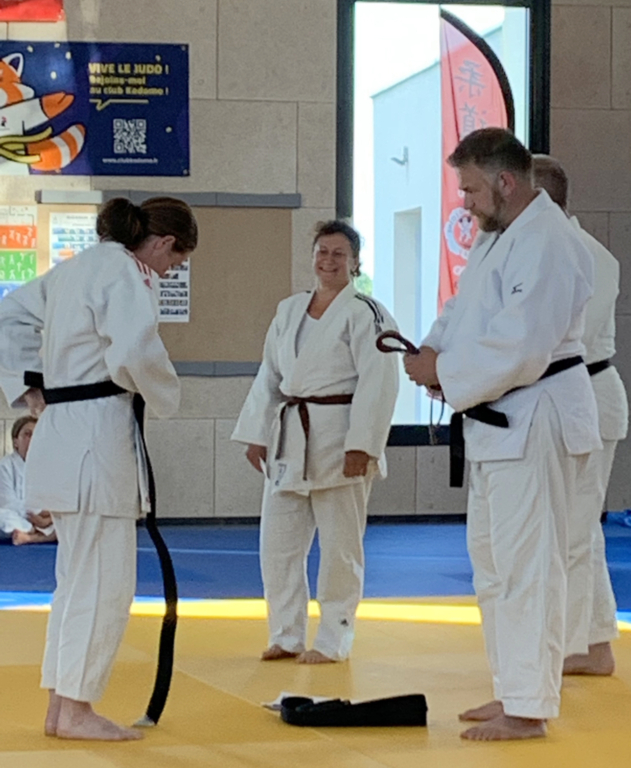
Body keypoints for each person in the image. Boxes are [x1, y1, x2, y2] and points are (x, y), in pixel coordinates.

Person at [404, 128, 601, 741]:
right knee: (493, 566)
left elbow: (522, 346)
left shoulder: (548, 242)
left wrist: (446, 373)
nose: (465, 202)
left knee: (528, 567)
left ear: (506, 182)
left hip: (537, 416)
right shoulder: (498, 238)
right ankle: (514, 687)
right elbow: (462, 311)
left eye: (470, 190)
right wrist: (432, 352)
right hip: (500, 421)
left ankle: (530, 708)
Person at [0, 196, 198, 741]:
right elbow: (134, 351)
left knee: (75, 584)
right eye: (174, 261)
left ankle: (60, 707)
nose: (169, 271)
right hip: (96, 441)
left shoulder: (77, 268)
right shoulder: (123, 271)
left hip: (64, 433)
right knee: (104, 585)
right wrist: (168, 396)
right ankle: (77, 710)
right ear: (162, 242)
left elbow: (9, 314)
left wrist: (30, 386)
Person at [232, 220, 399, 664]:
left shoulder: (367, 313)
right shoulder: (289, 310)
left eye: (339, 254)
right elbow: (269, 375)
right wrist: (256, 433)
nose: (328, 261)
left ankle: (333, 638)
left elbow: (380, 382)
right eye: (322, 252)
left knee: (340, 547)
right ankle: (286, 634)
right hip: (290, 436)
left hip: (340, 437)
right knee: (278, 545)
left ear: (355, 262)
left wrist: (363, 444)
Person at [533, 155, 628, 676]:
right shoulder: (549, 250)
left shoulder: (587, 255)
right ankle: (590, 643)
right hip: (573, 395)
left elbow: (557, 342)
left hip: (586, 391)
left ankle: (578, 646)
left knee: (574, 531)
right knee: (575, 528)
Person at [0, 415, 56, 545]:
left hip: (47, 520)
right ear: (16, 442)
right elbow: (8, 503)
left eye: (36, 435)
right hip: (17, 519)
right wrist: (38, 513)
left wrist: (47, 520)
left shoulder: (49, 467)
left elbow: (58, 501)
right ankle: (34, 532)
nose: (32, 438)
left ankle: (33, 537)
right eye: (27, 434)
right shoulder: (5, 466)